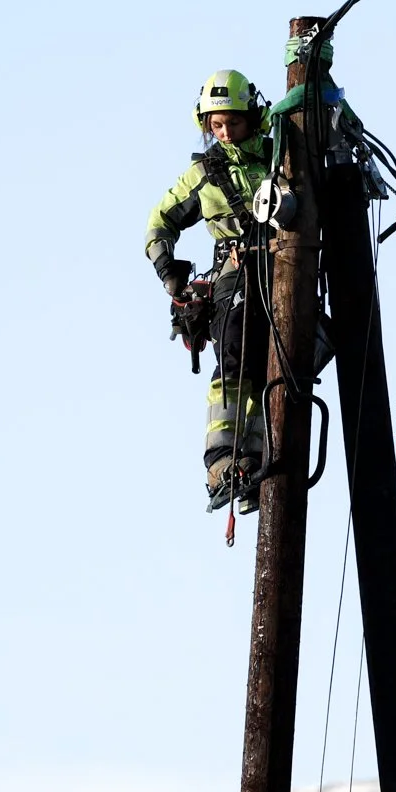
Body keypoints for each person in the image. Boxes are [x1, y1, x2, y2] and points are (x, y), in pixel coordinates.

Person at [145, 69, 274, 513]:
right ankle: (226, 461)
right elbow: (160, 221)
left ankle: (271, 452)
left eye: (233, 123)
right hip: (236, 275)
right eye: (216, 125)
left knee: (301, 352)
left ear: (253, 117)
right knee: (237, 345)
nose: (225, 133)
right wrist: (169, 271)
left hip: (287, 270)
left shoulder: (283, 156)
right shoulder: (204, 174)